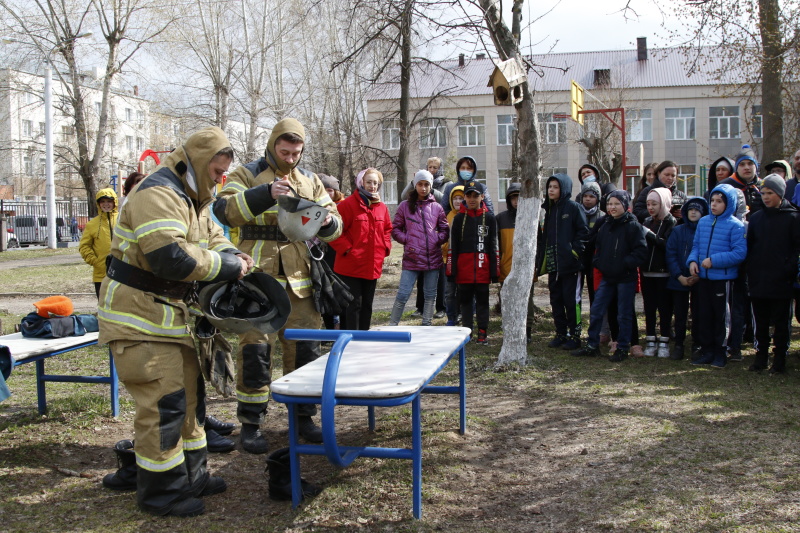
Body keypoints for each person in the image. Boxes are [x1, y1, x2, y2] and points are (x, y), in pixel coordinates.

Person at [98, 127, 251, 517]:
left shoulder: (196, 196)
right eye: (217, 171)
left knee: (190, 401)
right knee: (163, 405)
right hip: (138, 318)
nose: (221, 180)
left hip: (171, 318)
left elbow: (215, 236)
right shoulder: (157, 193)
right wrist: (228, 265)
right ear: (198, 163)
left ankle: (192, 476)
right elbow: (172, 258)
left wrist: (233, 254)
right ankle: (161, 493)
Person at [213, 118, 342, 452]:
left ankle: (303, 419)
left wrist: (327, 222)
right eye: (284, 152)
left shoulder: (310, 180)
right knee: (255, 350)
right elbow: (225, 210)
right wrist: (264, 194)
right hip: (258, 281)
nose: (290, 159)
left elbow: (336, 222)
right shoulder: (246, 174)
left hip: (301, 281)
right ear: (272, 146)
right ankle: (252, 423)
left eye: (296, 153)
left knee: (305, 351)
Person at [571, 190, 647, 362]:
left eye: (616, 204)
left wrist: (624, 263)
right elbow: (597, 248)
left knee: (624, 313)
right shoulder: (605, 225)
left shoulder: (633, 226)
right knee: (597, 310)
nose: (612, 207)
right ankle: (592, 345)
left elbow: (641, 252)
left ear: (625, 205)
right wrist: (600, 263)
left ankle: (622, 347)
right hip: (607, 276)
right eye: (610, 204)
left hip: (625, 277)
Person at [688, 184, 747, 368]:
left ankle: (721, 352)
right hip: (704, 278)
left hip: (722, 279)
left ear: (728, 203)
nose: (714, 204)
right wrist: (692, 261)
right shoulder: (704, 222)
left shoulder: (736, 226)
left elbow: (739, 253)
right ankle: (707, 350)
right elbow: (696, 245)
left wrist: (713, 260)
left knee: (721, 317)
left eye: (719, 201)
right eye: (712, 200)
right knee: (704, 315)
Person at [746, 174, 800, 373]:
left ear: (780, 193)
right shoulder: (757, 218)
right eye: (764, 193)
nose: (766, 197)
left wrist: (789, 270)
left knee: (781, 323)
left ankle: (779, 360)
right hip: (759, 279)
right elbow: (750, 246)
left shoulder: (793, 217)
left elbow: (796, 249)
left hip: (781, 280)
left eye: (770, 193)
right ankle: (761, 357)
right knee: (760, 323)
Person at [330, 168, 392, 330]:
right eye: (369, 182)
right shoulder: (348, 205)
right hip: (350, 265)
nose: (372, 186)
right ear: (361, 183)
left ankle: (364, 340)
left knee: (367, 305)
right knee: (353, 305)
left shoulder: (382, 207)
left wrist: (385, 248)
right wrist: (348, 249)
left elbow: (387, 230)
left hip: (372, 264)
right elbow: (334, 232)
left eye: (376, 183)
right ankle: (351, 342)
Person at [389, 170, 449, 326]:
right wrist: (408, 240)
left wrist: (437, 239)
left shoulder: (437, 207)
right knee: (403, 294)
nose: (423, 188)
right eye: (420, 184)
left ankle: (426, 325)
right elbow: (395, 229)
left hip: (432, 258)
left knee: (430, 295)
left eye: (426, 184)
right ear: (415, 185)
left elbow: (444, 229)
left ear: (431, 186)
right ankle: (392, 326)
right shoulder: (404, 206)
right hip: (412, 257)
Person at [536, 173, 588, 351]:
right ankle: (560, 333)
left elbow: (583, 233)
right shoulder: (548, 211)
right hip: (553, 265)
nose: (551, 190)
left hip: (571, 266)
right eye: (549, 186)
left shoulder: (574, 208)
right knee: (556, 300)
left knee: (571, 301)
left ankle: (575, 335)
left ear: (564, 188)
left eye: (555, 187)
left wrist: (573, 252)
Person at [447, 180, 499, 345]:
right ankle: (467, 332)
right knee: (466, 303)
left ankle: (482, 333)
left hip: (483, 270)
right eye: (468, 195)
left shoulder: (490, 218)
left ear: (482, 197)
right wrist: (452, 270)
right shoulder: (459, 219)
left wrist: (494, 271)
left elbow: (494, 245)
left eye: (475, 195)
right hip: (464, 271)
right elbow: (453, 247)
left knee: (483, 303)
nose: (471, 199)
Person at [665, 197, 708, 360]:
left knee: (699, 313)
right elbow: (671, 255)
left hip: (700, 279)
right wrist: (679, 276)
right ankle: (679, 344)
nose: (693, 212)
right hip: (679, 280)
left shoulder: (706, 231)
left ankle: (697, 344)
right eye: (690, 209)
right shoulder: (677, 230)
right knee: (680, 314)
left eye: (697, 209)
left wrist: (698, 275)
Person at [496, 182, 536, 342]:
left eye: (519, 197)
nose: (516, 201)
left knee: (528, 301)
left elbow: (537, 244)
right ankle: (509, 329)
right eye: (513, 197)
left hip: (527, 269)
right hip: (506, 268)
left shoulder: (531, 218)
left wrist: (536, 265)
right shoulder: (500, 219)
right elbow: (496, 245)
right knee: (508, 301)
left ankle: (528, 331)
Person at [641, 188, 677, 358]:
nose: (651, 207)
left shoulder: (672, 223)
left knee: (664, 309)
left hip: (663, 274)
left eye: (654, 204)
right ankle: (650, 339)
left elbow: (667, 246)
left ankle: (664, 341)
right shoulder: (647, 221)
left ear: (663, 203)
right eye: (648, 204)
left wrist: (649, 235)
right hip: (647, 273)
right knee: (649, 308)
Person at [79, 188, 118, 299]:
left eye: (109, 201)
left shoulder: (123, 220)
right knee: (103, 305)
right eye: (103, 202)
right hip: (101, 274)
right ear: (98, 204)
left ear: (114, 202)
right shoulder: (92, 224)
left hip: (122, 272)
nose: (106, 204)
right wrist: (95, 261)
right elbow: (84, 246)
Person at [317, 173, 344, 330]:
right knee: (323, 289)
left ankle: (337, 325)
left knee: (336, 288)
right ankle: (327, 325)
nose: (326, 194)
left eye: (330, 190)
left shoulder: (340, 207)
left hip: (336, 253)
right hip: (319, 253)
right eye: (323, 190)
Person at [718, 144, 763, 217]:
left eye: (750, 163)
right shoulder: (725, 186)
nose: (746, 168)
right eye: (742, 164)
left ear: (756, 166)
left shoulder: (763, 186)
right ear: (737, 168)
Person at [443, 185, 465, 326]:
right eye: (455, 199)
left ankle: (464, 314)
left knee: (463, 290)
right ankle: (451, 316)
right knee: (449, 291)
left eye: (460, 198)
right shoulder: (447, 216)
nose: (457, 201)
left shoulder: (467, 216)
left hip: (464, 260)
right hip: (448, 260)